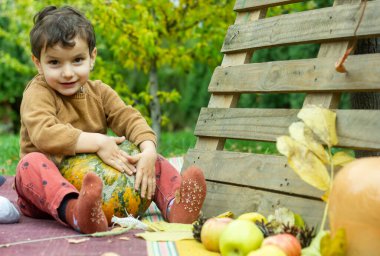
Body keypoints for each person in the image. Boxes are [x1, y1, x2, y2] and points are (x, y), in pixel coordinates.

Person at [15, 5, 206, 234]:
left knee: (149, 161)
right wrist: (98, 142)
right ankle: (77, 212)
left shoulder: (99, 92)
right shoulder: (38, 93)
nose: (67, 72)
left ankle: (177, 205)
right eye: (55, 62)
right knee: (30, 165)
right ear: (38, 63)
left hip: (99, 187)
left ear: (92, 57)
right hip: (46, 191)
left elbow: (128, 117)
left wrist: (147, 149)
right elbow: (44, 133)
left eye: (77, 60)